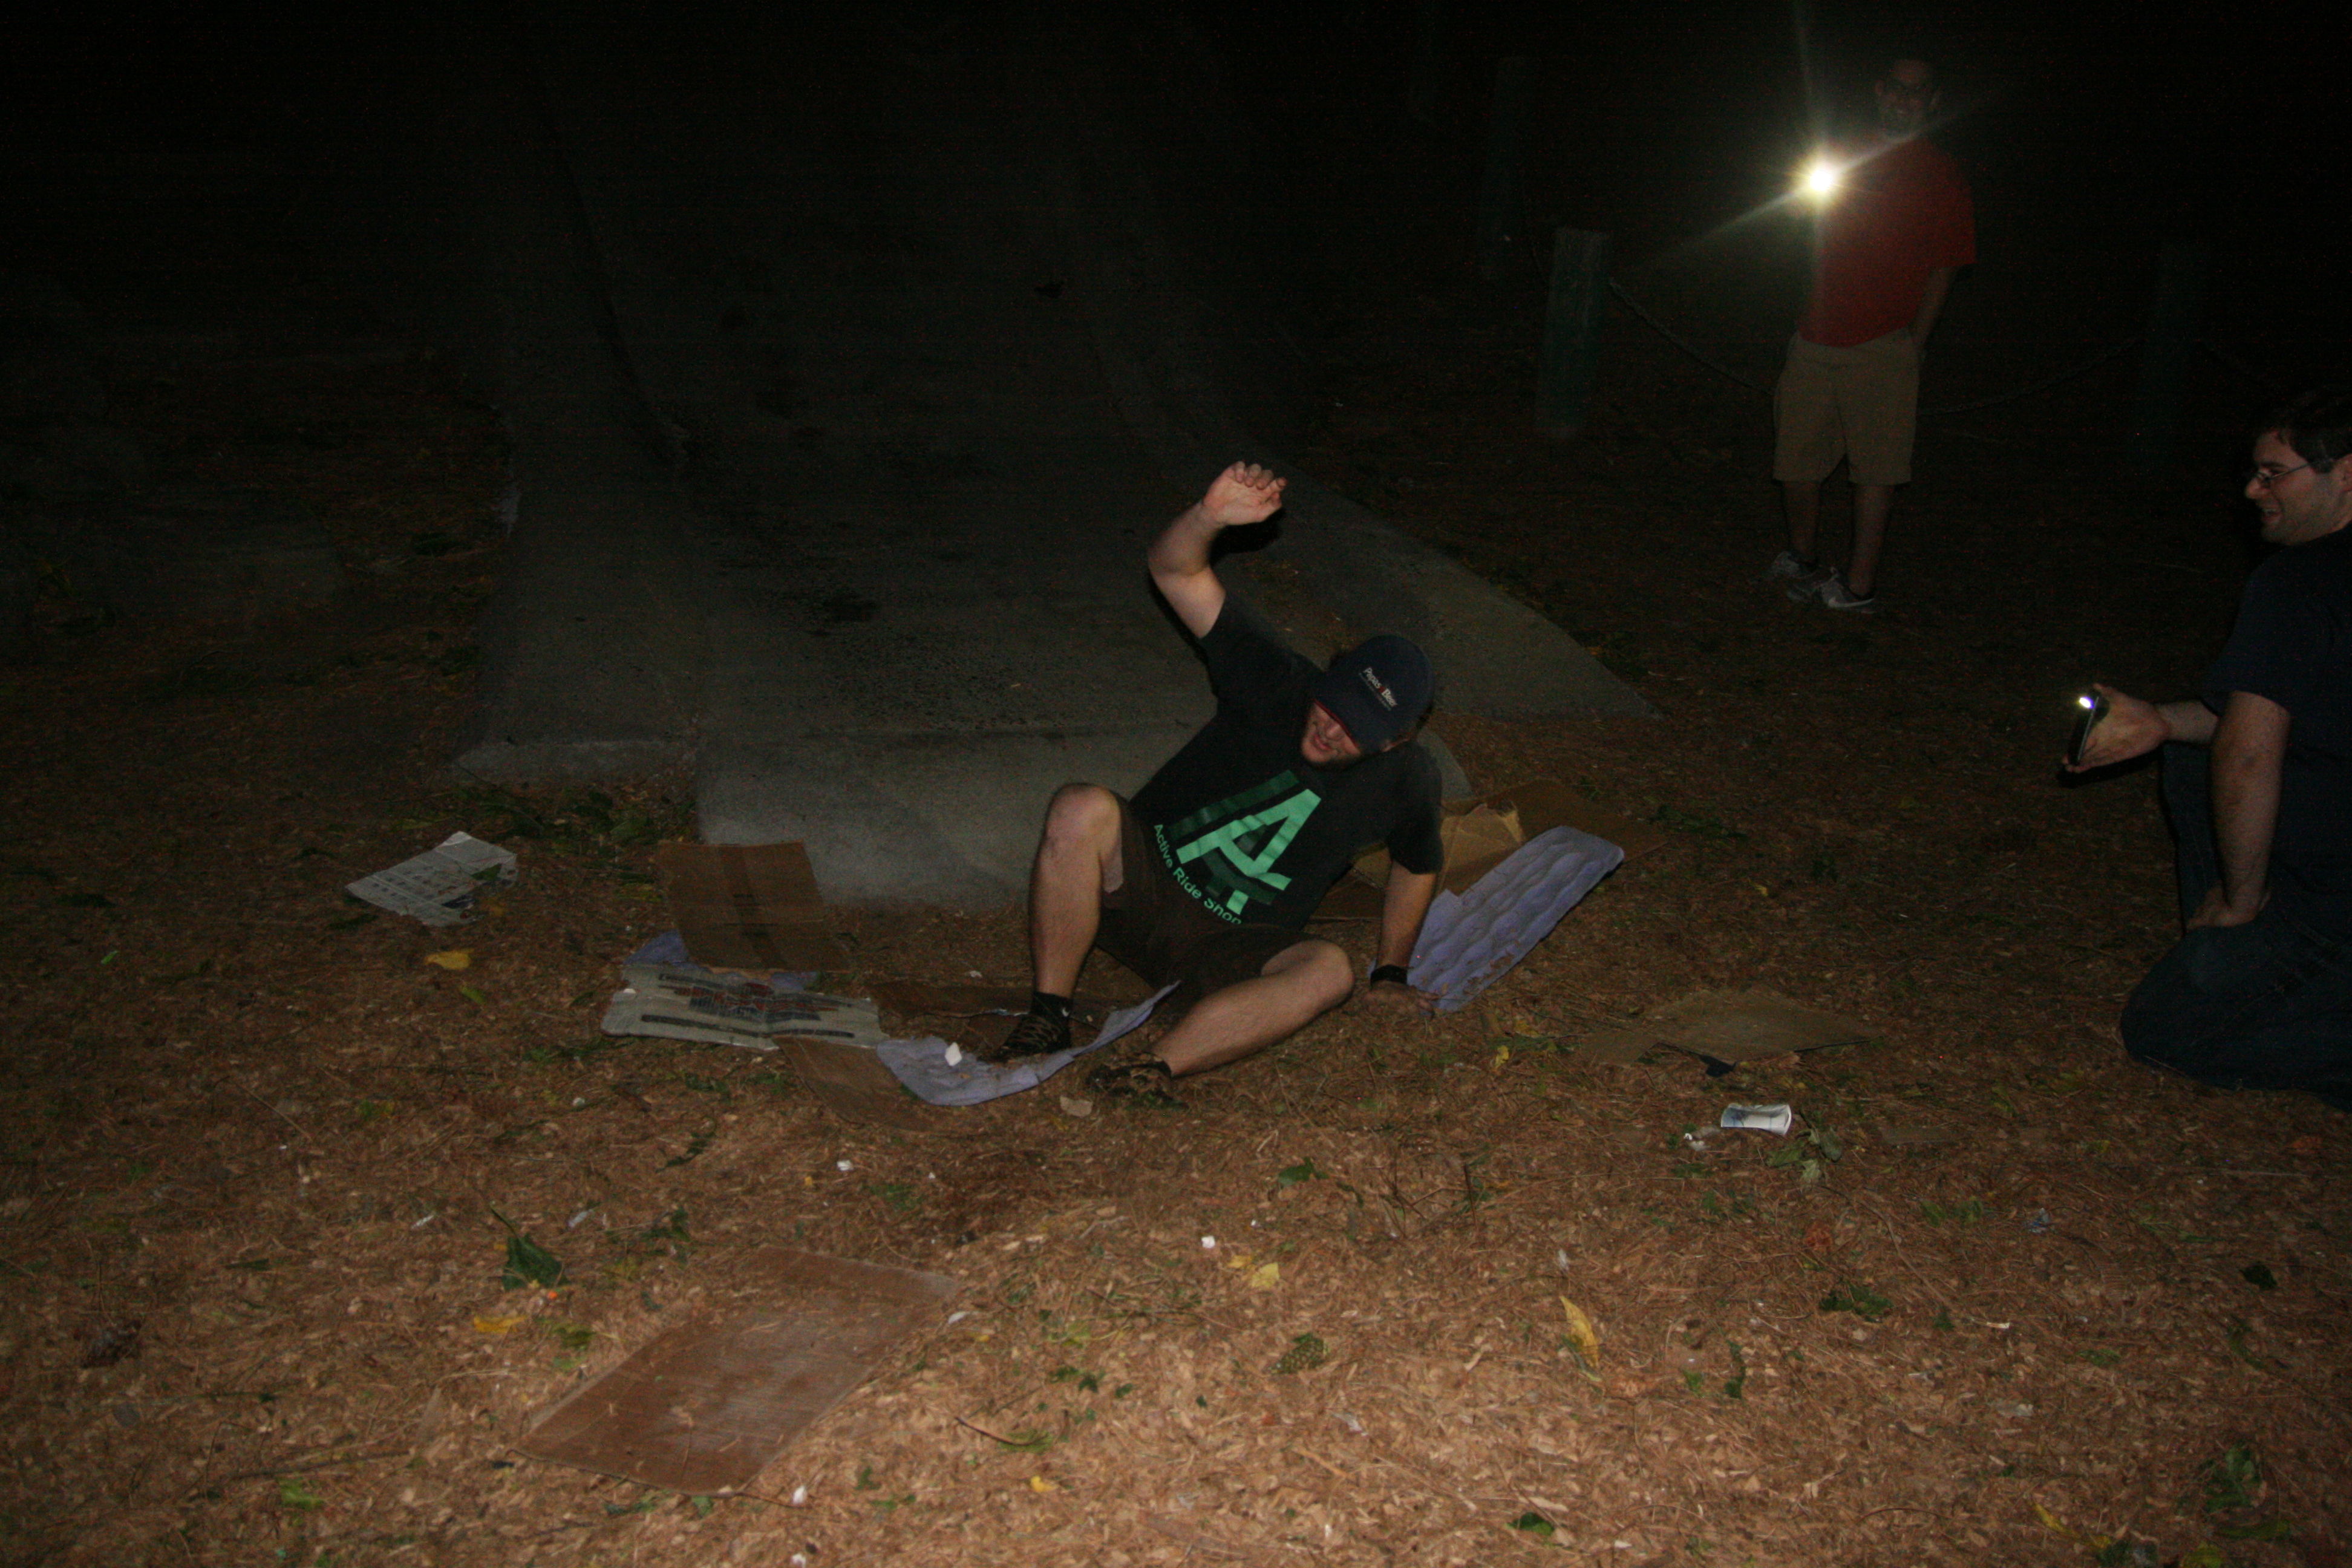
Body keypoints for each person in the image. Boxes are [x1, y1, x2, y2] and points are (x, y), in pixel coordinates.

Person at [985, 462, 1445, 1104]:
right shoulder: (1276, 679)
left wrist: (1391, 972)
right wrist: (1208, 519)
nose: (1329, 728)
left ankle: (1152, 1071)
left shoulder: (1407, 778)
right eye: (1333, 705)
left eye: (1355, 729)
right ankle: (1047, 1017)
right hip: (1137, 891)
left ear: (1394, 741)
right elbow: (1175, 571)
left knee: (1330, 971)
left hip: (1231, 950)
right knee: (1081, 807)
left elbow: (1418, 863)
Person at [2068, 386, 2352, 1111]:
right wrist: (2162, 722)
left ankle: (2246, 954)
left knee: (2167, 1029)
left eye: (2274, 473)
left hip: (2330, 905)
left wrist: (2240, 899)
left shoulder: (2300, 582)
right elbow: (2278, 712)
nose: (2253, 490)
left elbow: (2251, 751)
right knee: (2192, 754)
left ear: (2346, 473)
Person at [1766, 56, 1975, 614]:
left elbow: (1947, 266)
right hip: (1816, 332)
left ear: (1932, 102)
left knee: (1877, 470)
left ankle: (1859, 586)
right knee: (1795, 461)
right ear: (1880, 92)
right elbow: (1800, 221)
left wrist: (1916, 341)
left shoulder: (1941, 175)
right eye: (1896, 89)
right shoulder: (1841, 153)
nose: (1905, 100)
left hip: (1884, 341)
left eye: (1918, 92)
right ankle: (1804, 557)